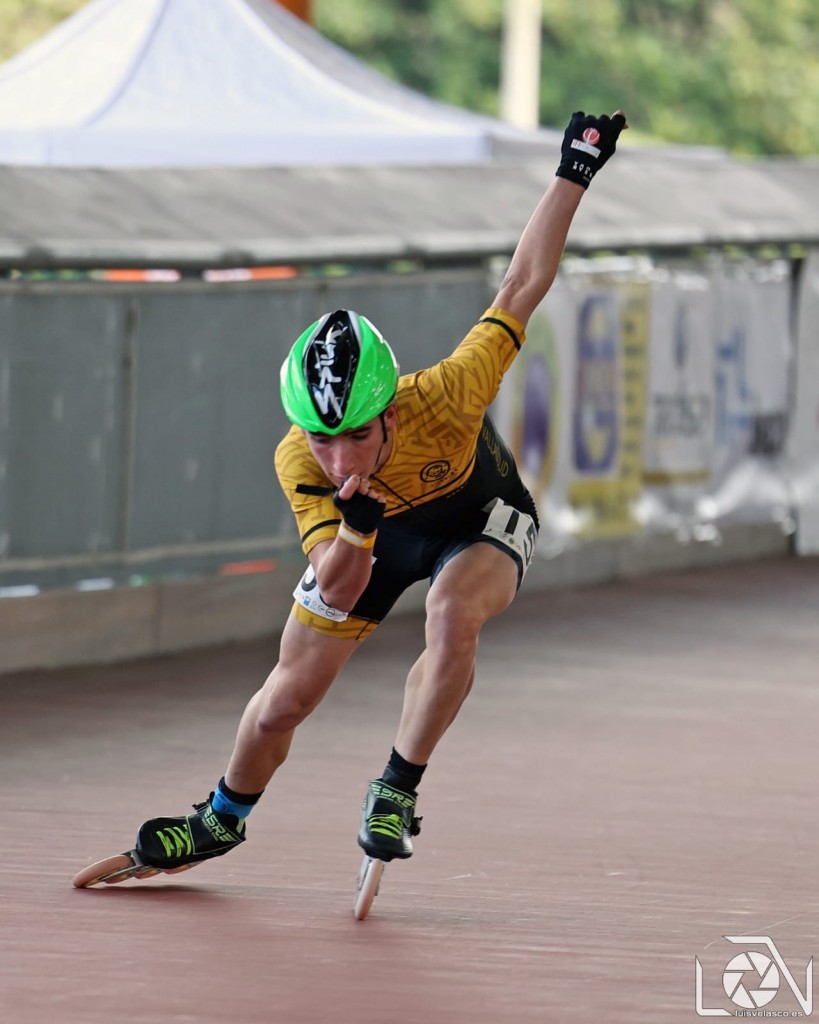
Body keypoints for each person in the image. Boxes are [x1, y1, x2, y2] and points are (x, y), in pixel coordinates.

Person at [126, 110, 628, 872]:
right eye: (319, 437)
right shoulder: (297, 458)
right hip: (373, 540)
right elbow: (338, 579)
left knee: (451, 612)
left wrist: (573, 171)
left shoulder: (449, 391)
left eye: (354, 434)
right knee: (287, 697)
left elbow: (521, 283)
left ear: (389, 408)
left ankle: (397, 785)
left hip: (477, 515)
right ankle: (221, 818)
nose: (334, 457)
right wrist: (355, 526)